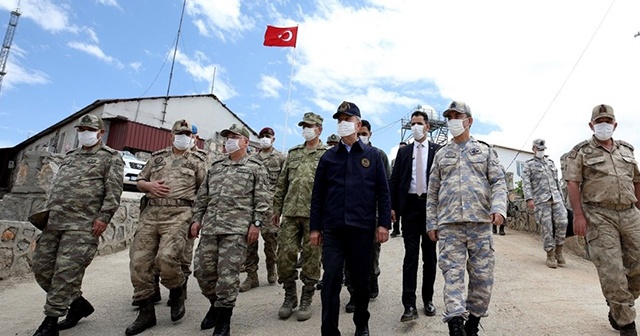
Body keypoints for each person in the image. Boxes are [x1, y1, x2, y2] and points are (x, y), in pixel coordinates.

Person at [30, 114, 124, 336]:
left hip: (82, 226)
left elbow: (113, 192)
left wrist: (104, 217)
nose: (85, 133)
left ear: (101, 133)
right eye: (81, 129)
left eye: (90, 129)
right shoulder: (70, 156)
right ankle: (78, 304)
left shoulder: (110, 157)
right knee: (42, 269)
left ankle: (50, 321)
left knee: (65, 273)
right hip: (54, 222)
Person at [310, 101, 391, 336]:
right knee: (332, 278)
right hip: (333, 229)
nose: (342, 124)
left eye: (347, 120)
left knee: (361, 280)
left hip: (362, 228)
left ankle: (361, 324)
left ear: (358, 124)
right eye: (339, 120)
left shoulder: (372, 156)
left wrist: (384, 224)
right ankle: (329, 329)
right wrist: (315, 228)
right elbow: (318, 195)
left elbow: (383, 193)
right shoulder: (328, 158)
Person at [426, 101, 507, 336]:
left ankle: (473, 321)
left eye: (456, 115)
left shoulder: (484, 150)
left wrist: (499, 208)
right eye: (449, 116)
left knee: (482, 277)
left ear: (468, 120)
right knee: (452, 275)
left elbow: (499, 182)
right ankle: (455, 324)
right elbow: (432, 191)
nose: (452, 120)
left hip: (480, 224)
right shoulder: (442, 154)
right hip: (449, 225)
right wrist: (431, 222)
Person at [126, 119, 207, 335]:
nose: (183, 137)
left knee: (167, 258)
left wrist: (197, 219)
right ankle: (146, 312)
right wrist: (149, 186)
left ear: (192, 137)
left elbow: (204, 193)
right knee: (139, 262)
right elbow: (140, 181)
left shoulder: (198, 161)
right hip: (151, 213)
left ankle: (177, 288)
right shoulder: (157, 157)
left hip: (180, 214)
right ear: (172, 135)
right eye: (179, 133)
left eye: (187, 134)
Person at [565, 104, 640, 336]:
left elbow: (637, 180)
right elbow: (573, 183)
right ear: (591, 125)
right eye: (599, 122)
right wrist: (578, 215)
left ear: (615, 125)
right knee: (612, 270)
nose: (604, 125)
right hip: (599, 215)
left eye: (608, 121)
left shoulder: (627, 150)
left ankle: (618, 303)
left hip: (630, 213)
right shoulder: (580, 152)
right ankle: (626, 323)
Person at [190, 123, 271, 336]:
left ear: (245, 141)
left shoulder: (255, 167)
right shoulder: (216, 166)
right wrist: (196, 219)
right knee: (202, 272)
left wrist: (256, 224)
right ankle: (215, 305)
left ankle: (224, 321)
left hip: (236, 230)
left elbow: (263, 200)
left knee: (227, 276)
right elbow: (202, 197)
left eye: (234, 137)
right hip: (210, 228)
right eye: (227, 137)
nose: (229, 141)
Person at [272, 112, 328, 321]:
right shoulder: (293, 153)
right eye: (304, 125)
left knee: (312, 258)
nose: (306, 129)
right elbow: (282, 183)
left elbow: (330, 188)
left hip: (314, 216)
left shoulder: (327, 154)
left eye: (310, 125)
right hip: (290, 213)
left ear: (319, 129)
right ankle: (289, 295)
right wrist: (276, 209)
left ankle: (307, 296)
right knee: (284, 256)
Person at [389, 110, 441, 322]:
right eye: (412, 124)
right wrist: (392, 207)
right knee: (410, 256)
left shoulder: (438, 151)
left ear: (427, 126)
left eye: (419, 123)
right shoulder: (404, 152)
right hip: (410, 207)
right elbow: (394, 180)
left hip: (430, 208)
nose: (415, 127)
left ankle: (427, 300)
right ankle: (408, 305)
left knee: (429, 256)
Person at [341, 119, 390, 312]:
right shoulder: (346, 155)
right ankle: (353, 292)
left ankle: (373, 278)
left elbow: (384, 187)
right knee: (350, 256)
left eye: (364, 133)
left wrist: (384, 217)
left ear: (370, 134)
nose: (361, 135)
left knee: (371, 253)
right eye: (358, 132)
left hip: (373, 215)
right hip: (351, 216)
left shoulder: (378, 155)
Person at [239, 127, 285, 292]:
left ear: (273, 139)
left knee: (271, 239)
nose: (264, 138)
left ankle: (271, 268)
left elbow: (283, 184)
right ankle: (252, 276)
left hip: (270, 206)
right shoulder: (252, 159)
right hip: (252, 205)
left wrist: (279, 209)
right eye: (262, 136)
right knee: (250, 241)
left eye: (268, 136)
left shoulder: (280, 158)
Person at [522, 138, 568, 268]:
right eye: (538, 149)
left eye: (542, 149)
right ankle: (550, 254)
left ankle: (559, 251)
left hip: (556, 198)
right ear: (533, 149)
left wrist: (562, 199)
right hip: (541, 200)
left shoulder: (550, 163)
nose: (541, 151)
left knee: (563, 222)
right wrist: (529, 199)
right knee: (547, 227)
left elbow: (556, 181)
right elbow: (526, 183)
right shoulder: (528, 165)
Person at [390, 141, 408, 238]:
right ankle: (395, 229)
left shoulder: (410, 159)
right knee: (395, 211)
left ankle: (404, 229)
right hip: (397, 189)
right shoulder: (394, 160)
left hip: (405, 190)